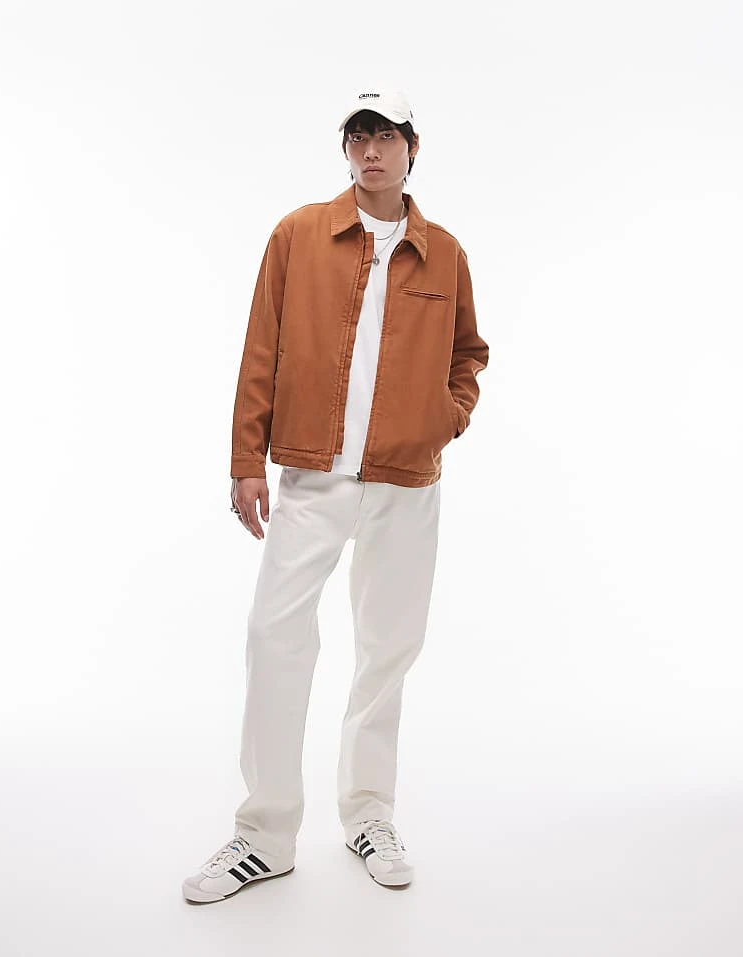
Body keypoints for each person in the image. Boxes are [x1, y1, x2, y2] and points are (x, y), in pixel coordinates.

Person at [183, 89, 489, 903]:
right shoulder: (298, 234)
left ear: (412, 147)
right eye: (358, 138)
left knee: (388, 648)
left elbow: (469, 352)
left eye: (385, 136)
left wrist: (444, 419)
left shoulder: (445, 252)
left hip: (406, 480)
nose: (371, 151)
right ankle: (265, 834)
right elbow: (261, 346)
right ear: (346, 150)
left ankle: (368, 814)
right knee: (274, 634)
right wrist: (246, 458)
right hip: (312, 475)